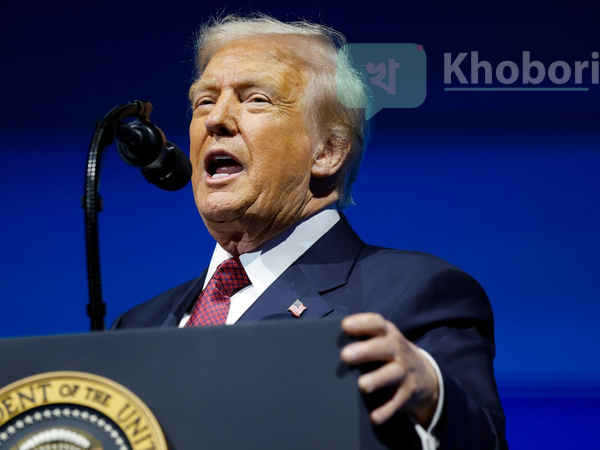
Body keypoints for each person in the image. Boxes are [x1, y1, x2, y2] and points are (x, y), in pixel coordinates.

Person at [112, 14, 507, 449]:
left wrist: (434, 397)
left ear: (328, 151)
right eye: (204, 101)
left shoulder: (414, 293)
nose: (216, 119)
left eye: (256, 99)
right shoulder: (138, 326)